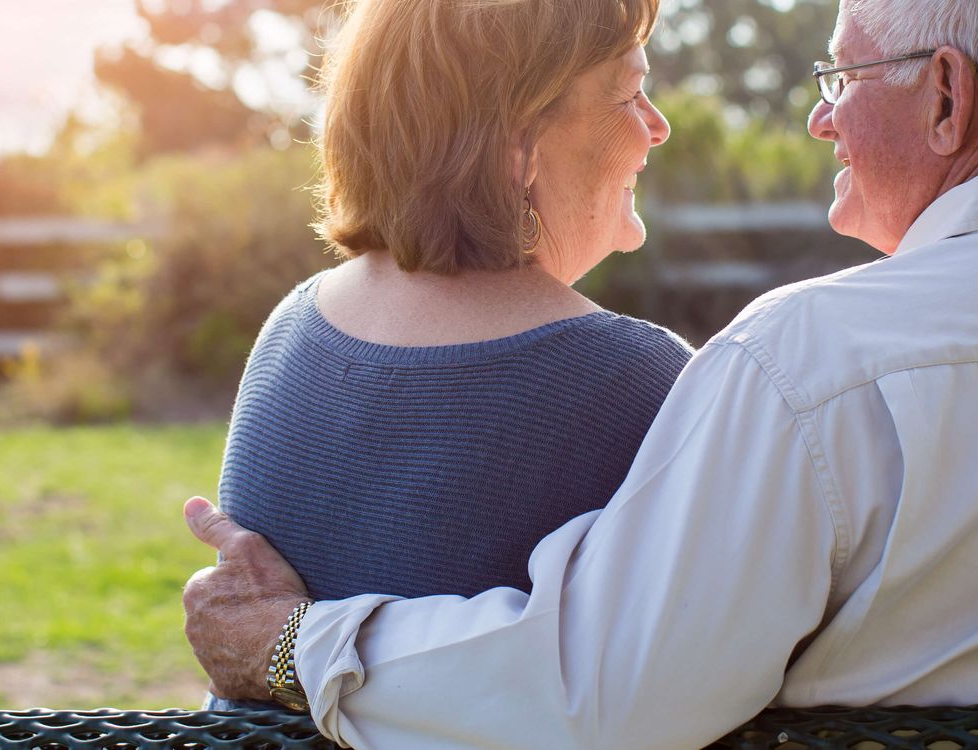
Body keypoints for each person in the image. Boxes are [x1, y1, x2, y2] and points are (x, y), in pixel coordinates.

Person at [183, 0, 978, 746]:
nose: (819, 120)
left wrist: (298, 645)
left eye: (841, 77)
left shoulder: (807, 367)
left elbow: (601, 691)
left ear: (945, 98)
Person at [195, 0, 691, 713]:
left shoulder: (292, 326)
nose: (657, 126)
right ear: (519, 146)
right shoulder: (635, 380)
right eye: (628, 92)